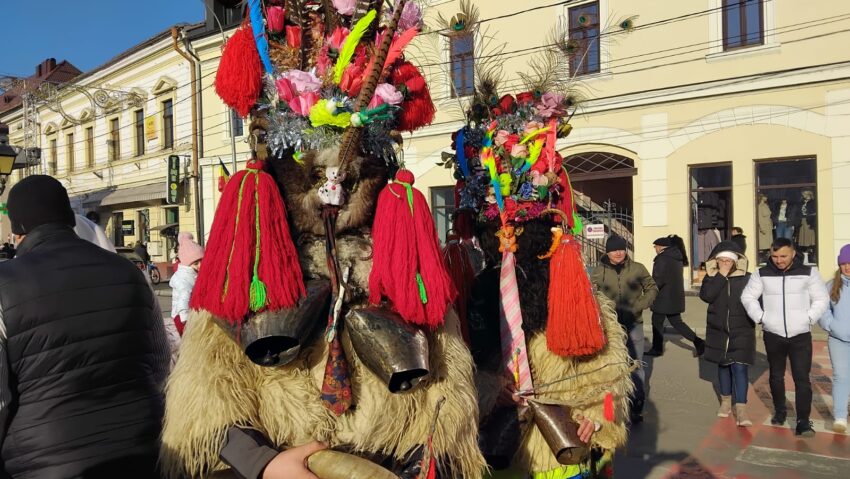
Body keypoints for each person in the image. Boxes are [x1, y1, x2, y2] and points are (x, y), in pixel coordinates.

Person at [0, 175, 170, 478]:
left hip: (44, 462)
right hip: (144, 449)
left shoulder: (5, 283)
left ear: (17, 231)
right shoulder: (128, 272)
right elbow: (159, 364)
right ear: (68, 217)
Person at [741, 237, 829, 437]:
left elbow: (821, 298)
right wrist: (761, 317)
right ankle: (780, 411)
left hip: (800, 335)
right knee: (775, 375)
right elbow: (748, 297)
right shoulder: (761, 273)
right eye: (775, 256)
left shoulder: (808, 272)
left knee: (801, 379)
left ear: (793, 253)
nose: (779, 260)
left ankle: (803, 422)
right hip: (773, 333)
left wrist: (809, 318)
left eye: (783, 256)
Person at [591, 234, 658, 424]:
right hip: (610, 327)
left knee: (635, 365)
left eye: (621, 249)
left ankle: (637, 403)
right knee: (610, 366)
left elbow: (652, 288)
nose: (618, 253)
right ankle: (614, 405)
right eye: (614, 250)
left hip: (634, 324)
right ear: (607, 252)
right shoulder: (598, 271)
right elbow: (591, 292)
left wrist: (639, 305)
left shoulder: (637, 268)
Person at [699, 242, 755, 427]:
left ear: (736, 261)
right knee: (723, 366)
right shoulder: (712, 277)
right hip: (718, 330)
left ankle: (741, 408)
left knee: (740, 368)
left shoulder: (747, 278)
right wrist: (720, 275)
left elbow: (756, 300)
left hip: (742, 329)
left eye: (728, 261)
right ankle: (725, 403)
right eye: (721, 260)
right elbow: (707, 296)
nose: (724, 263)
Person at [647, 235, 705, 357]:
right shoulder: (676, 257)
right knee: (677, 322)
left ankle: (657, 349)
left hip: (663, 297)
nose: (655, 249)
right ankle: (699, 342)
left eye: (655, 247)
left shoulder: (662, 259)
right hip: (674, 296)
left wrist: (649, 291)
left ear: (661, 247)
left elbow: (658, 279)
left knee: (657, 321)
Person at [819, 244, 850, 433]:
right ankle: (840, 416)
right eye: (844, 263)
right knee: (841, 377)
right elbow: (823, 311)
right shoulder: (831, 285)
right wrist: (832, 326)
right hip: (838, 340)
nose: (847, 267)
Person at [170, 232, 204, 336]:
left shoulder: (192, 274)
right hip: (181, 318)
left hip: (188, 314)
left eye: (202, 261)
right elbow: (184, 298)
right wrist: (185, 319)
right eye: (196, 263)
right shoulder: (184, 279)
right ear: (187, 264)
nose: (200, 265)